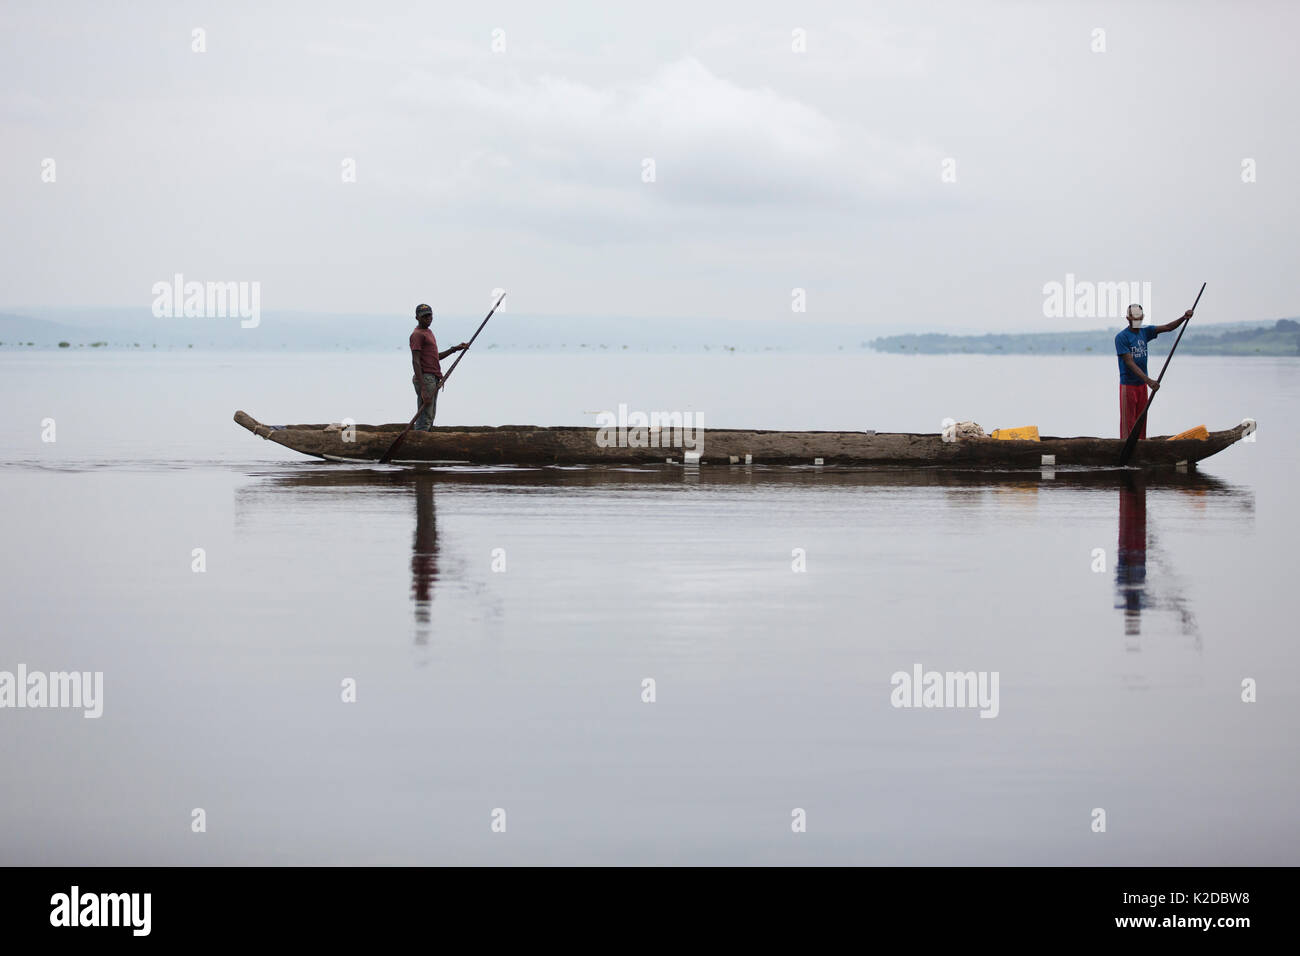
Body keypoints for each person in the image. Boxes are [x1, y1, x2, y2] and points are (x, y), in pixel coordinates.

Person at [1115, 303, 1192, 439]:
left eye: (1140, 318)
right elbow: (1129, 362)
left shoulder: (1145, 332)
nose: (1138, 321)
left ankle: (1141, 446)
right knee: (1129, 424)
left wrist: (1184, 318)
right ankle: (1126, 449)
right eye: (1135, 318)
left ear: (1143, 317)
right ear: (1128, 318)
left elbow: (1168, 328)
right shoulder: (1122, 337)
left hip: (1142, 387)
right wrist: (1149, 381)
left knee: (1141, 422)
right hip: (1129, 386)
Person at [409, 304, 468, 431]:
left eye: (429, 315)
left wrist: (455, 349)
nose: (428, 318)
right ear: (417, 318)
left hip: (433, 378)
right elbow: (416, 361)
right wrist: (423, 388)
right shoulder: (417, 335)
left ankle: (424, 438)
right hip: (425, 378)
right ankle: (419, 440)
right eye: (424, 316)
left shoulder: (428, 332)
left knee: (429, 415)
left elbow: (435, 357)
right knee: (425, 416)